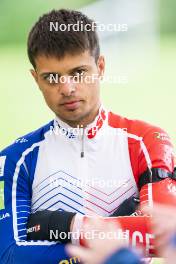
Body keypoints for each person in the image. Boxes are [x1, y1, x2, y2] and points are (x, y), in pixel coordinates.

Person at [0, 8, 175, 264]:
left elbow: (166, 237)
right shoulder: (15, 159)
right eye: (52, 77)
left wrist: (66, 225)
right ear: (35, 79)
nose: (67, 88)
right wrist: (111, 245)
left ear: (100, 67)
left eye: (78, 72)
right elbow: (10, 255)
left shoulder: (146, 141)